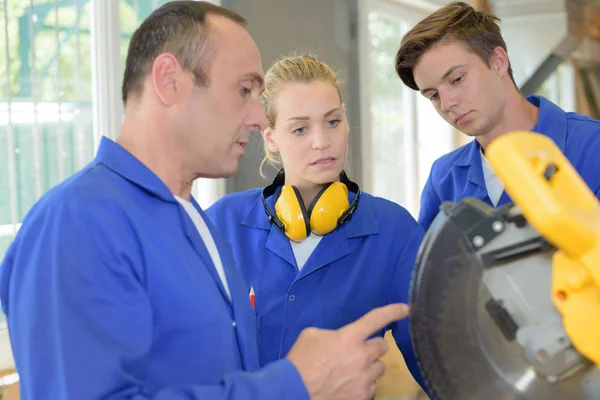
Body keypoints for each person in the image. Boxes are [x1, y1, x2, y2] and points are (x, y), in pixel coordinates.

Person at [0, 2, 409, 399]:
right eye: (244, 90)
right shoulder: (74, 224)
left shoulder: (195, 222)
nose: (255, 118)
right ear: (169, 81)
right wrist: (295, 385)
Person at [205, 54, 428, 393]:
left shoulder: (395, 231)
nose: (322, 141)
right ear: (270, 138)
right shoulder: (223, 222)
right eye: (300, 129)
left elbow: (437, 362)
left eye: (333, 121)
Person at [395, 2, 600, 231]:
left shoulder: (593, 147)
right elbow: (431, 265)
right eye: (433, 95)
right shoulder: (444, 178)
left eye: (457, 79)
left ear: (498, 61)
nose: (447, 103)